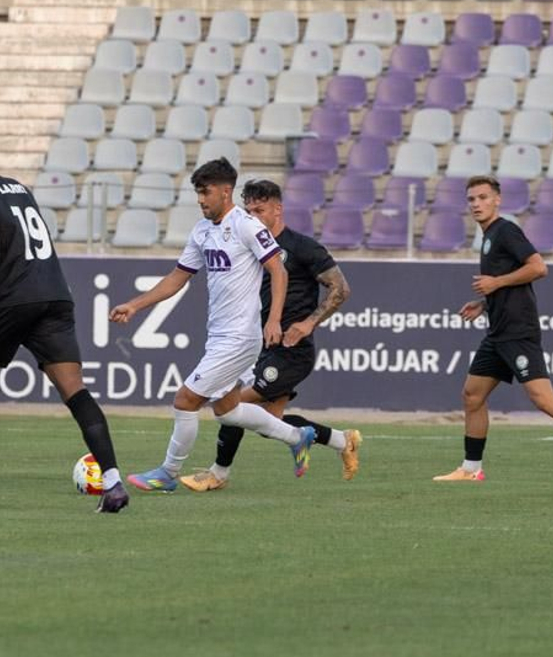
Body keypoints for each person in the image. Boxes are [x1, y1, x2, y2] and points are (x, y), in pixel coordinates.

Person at [0, 133, 128, 513]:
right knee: (74, 389)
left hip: (15, 297)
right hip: (56, 293)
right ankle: (113, 482)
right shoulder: (17, 187)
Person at [108, 158, 317, 493]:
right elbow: (178, 278)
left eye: (206, 192)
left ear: (225, 191)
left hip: (239, 337)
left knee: (186, 400)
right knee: (227, 410)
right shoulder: (202, 231)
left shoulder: (247, 226)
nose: (201, 200)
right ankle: (297, 435)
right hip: (218, 335)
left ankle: (167, 472)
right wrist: (135, 305)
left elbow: (279, 270)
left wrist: (275, 318)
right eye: (198, 193)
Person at [435, 175, 553, 485]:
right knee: (472, 395)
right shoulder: (489, 236)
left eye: (483, 197)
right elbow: (508, 280)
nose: (477, 204)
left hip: (518, 331)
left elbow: (538, 267)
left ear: (497, 200)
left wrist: (495, 283)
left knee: (543, 398)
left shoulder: (506, 230)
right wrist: (485, 301)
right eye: (471, 199)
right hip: (497, 331)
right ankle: (471, 469)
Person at [181, 178, 362, 492]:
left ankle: (218, 474)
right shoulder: (248, 243)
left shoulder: (303, 247)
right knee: (267, 424)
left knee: (231, 405)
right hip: (258, 346)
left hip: (292, 351)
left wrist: (307, 324)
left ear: (278, 210)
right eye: (248, 210)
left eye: (260, 210)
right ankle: (341, 440)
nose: (252, 216)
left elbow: (341, 288)